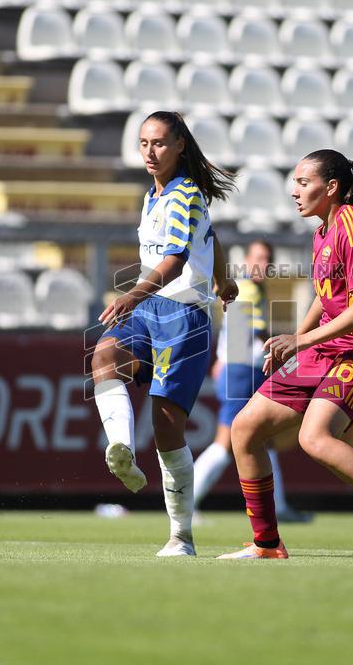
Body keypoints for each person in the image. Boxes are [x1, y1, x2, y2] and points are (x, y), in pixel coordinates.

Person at [217, 150, 353, 561]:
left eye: (303, 182)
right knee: (244, 429)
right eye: (295, 182)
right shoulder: (323, 231)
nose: (294, 191)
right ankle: (267, 543)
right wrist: (295, 341)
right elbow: (327, 298)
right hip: (324, 349)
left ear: (331, 187)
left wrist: (299, 343)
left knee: (314, 438)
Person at [90, 111, 237, 557]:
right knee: (103, 357)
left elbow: (174, 260)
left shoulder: (185, 195)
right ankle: (121, 447)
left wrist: (130, 296)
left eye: (158, 143)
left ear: (179, 147)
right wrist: (224, 279)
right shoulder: (153, 196)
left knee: (167, 428)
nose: (149, 152)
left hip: (182, 317)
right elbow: (212, 239)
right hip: (150, 308)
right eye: (143, 143)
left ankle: (181, 536)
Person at [194, 239, 311, 523]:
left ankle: (279, 507)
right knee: (225, 443)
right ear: (247, 259)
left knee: (265, 441)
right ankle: (184, 502)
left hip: (243, 369)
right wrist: (287, 350)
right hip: (242, 372)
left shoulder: (251, 288)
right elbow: (250, 336)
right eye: (258, 258)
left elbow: (235, 334)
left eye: (267, 259)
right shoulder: (247, 289)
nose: (263, 264)